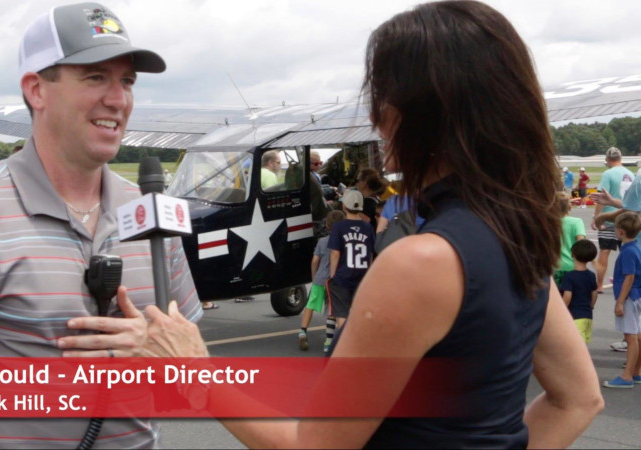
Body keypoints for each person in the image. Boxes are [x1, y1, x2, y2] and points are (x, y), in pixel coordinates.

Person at [140, 1, 603, 447]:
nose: (375, 118)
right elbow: (580, 399)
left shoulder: (420, 261)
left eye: (383, 98)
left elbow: (312, 446)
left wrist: (194, 371)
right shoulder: (516, 236)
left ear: (422, 111)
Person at [0, 3, 202, 448]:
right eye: (95, 77)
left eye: (127, 81)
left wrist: (161, 359)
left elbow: (190, 379)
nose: (118, 99)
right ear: (37, 89)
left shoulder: (150, 212)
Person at [327, 190, 374, 330]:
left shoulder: (338, 227)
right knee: (358, 311)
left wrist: (332, 274)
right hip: (362, 275)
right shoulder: (368, 227)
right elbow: (370, 253)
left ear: (344, 206)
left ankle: (343, 342)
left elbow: (335, 253)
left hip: (342, 275)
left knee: (342, 312)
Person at [603, 211, 641, 388]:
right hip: (636, 295)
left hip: (630, 297)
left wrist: (620, 302)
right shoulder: (636, 248)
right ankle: (636, 372)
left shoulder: (628, 252)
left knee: (631, 336)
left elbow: (629, 277)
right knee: (637, 335)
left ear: (620, 232)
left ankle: (626, 377)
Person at [298, 210, 345, 352]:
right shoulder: (343, 243)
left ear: (327, 225)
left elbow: (315, 261)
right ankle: (328, 341)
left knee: (310, 306)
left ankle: (303, 331)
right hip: (333, 280)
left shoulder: (322, 241)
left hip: (319, 279)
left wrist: (314, 276)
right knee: (332, 310)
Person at [592, 147, 634, 293]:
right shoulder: (631, 174)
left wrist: (596, 218)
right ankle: (626, 281)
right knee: (628, 251)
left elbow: (601, 198)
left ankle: (599, 285)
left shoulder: (608, 174)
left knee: (605, 251)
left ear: (608, 160)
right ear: (621, 158)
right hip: (628, 216)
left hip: (610, 218)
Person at [560, 239, 598, 343]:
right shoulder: (591, 275)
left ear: (573, 254)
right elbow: (594, 293)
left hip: (574, 317)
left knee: (573, 344)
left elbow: (567, 296)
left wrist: (562, 309)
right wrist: (591, 305)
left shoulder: (569, 276)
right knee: (583, 344)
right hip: (587, 316)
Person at [555, 192, 587, 286]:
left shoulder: (549, 222)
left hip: (553, 266)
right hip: (571, 266)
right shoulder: (576, 222)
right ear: (569, 207)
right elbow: (581, 242)